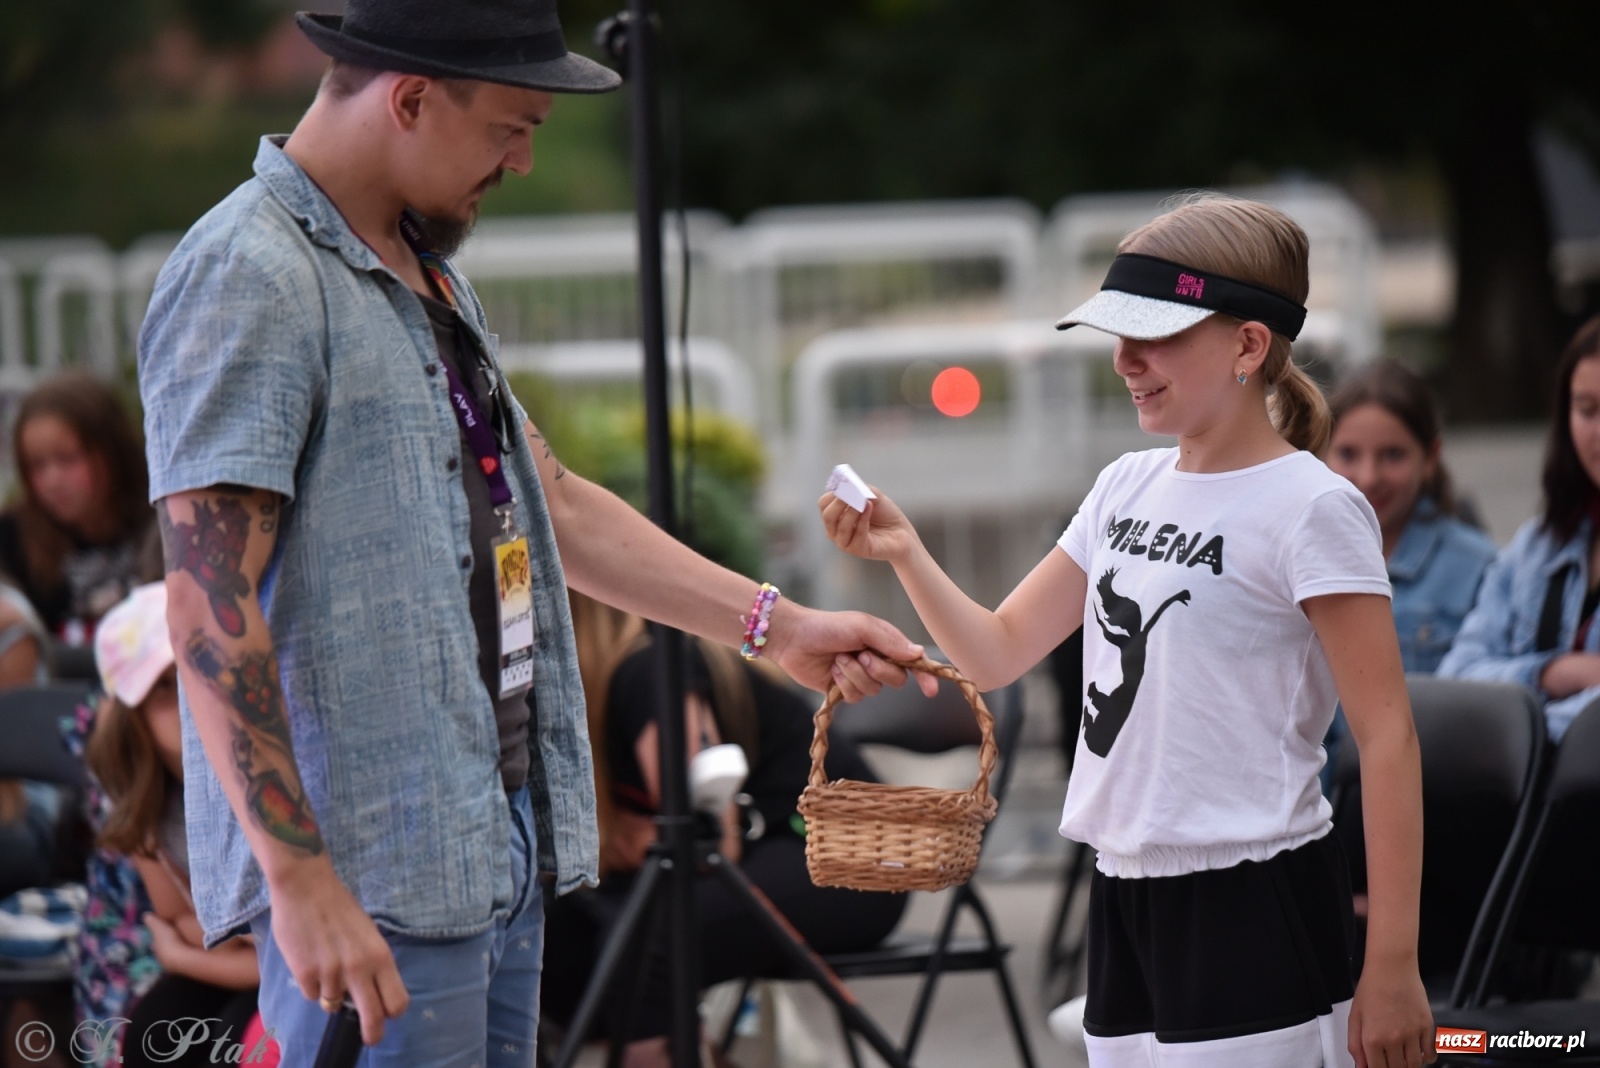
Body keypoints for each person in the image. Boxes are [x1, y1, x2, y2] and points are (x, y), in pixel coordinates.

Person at [136, 1, 933, 1063]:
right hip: (372, 875)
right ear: (411, 99)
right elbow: (206, 600)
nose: (517, 162)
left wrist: (773, 627)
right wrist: (299, 880)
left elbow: (550, 502)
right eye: (510, 126)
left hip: (484, 851)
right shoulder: (251, 270)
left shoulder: (424, 268)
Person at [821, 195, 1435, 1067]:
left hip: (1251, 894)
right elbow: (997, 651)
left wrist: (1395, 965)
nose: (1124, 360)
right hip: (1125, 888)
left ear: (1249, 346)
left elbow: (1387, 738)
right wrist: (905, 552)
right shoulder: (1124, 485)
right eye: (1118, 333)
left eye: (1157, 334)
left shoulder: (1315, 506)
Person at [541, 593, 907, 1068]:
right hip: (778, 847)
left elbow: (709, 838)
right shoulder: (618, 676)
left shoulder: (648, 670)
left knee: (648, 940)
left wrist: (622, 842)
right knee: (555, 936)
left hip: (856, 858)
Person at [85, 583, 264, 1067]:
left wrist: (185, 956)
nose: (187, 700)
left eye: (195, 672)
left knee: (242, 1039)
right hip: (241, 964)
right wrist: (223, 940)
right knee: (155, 1028)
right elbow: (179, 918)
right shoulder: (147, 809)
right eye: (163, 686)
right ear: (133, 717)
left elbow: (276, 951)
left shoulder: (264, 776)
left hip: (305, 973)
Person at [1439, 314, 1600, 743]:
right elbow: (1457, 676)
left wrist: (1524, 731)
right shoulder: (1538, 545)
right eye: (1587, 410)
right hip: (1536, 803)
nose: (1599, 431)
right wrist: (1552, 672)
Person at [1326, 360, 1496, 675]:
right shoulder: (1302, 554)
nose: (1368, 477)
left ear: (1430, 458)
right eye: (1348, 454)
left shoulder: (1479, 569)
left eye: (1393, 455)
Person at [0, 371, 154, 647]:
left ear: (112, 451)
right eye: (37, 465)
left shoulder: (160, 524)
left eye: (67, 459)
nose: (52, 481)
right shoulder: (12, 538)